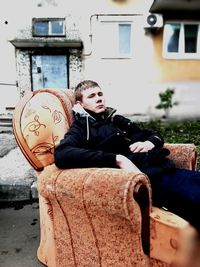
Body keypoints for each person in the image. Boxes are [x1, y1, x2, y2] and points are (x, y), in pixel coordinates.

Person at [54, 80, 200, 230]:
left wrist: (149, 143)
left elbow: (151, 134)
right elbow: (61, 154)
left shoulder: (116, 120)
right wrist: (117, 159)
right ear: (81, 104)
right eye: (91, 96)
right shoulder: (82, 128)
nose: (99, 98)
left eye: (100, 94)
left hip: (168, 169)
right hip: (152, 180)